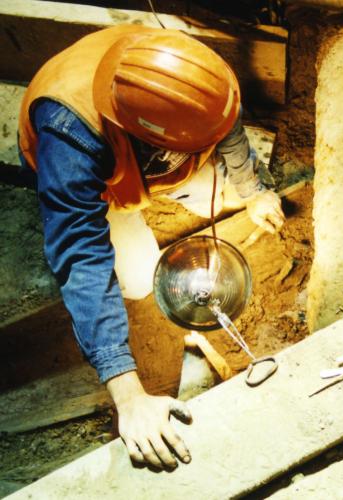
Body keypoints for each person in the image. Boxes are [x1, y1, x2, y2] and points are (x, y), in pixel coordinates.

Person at [18, 24, 284, 470]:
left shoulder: (190, 75)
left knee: (228, 193)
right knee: (140, 276)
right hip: (107, 185)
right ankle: (130, 210)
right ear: (145, 139)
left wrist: (253, 189)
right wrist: (129, 394)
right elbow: (81, 258)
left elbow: (227, 123)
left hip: (150, 158)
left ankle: (186, 183)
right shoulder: (70, 141)